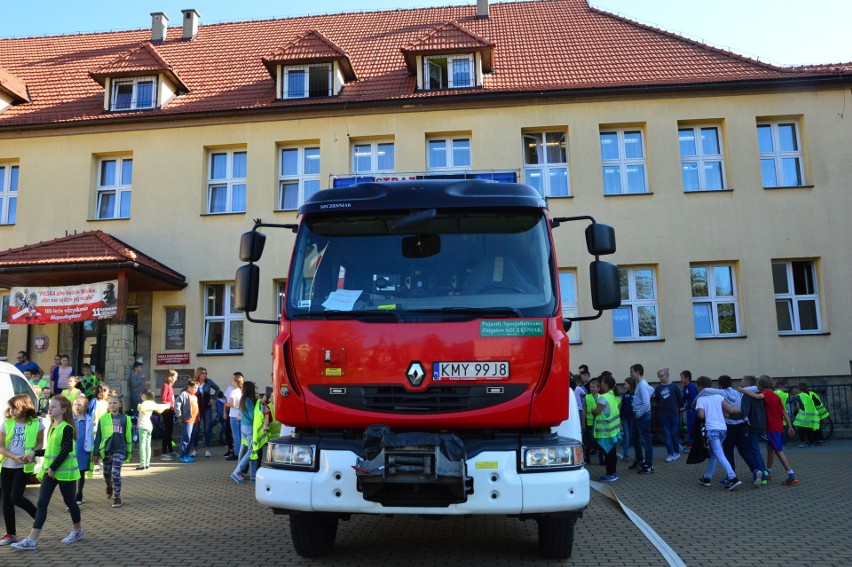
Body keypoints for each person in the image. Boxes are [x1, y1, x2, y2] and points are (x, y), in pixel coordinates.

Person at [10, 395, 84, 550]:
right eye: (50, 406)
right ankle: (32, 539)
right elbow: (51, 450)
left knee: (70, 502)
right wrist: (34, 453)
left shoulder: (67, 428)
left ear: (64, 410)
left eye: (54, 406)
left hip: (64, 473)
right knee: (42, 503)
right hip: (50, 473)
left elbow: (66, 450)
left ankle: (77, 530)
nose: (50, 408)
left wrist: (53, 467)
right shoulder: (52, 427)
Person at [0, 394, 45, 547]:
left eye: (15, 408)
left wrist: (31, 453)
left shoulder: (37, 423)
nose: (11, 411)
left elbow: (40, 444)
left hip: (24, 466)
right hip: (7, 465)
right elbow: (1, 447)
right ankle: (11, 534)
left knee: (15, 497)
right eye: (10, 407)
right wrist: (14, 457)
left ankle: (38, 518)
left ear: (24, 408)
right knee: (6, 500)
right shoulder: (6, 424)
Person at [740, 375, 798, 486]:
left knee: (778, 450)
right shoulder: (776, 396)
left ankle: (791, 475)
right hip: (779, 426)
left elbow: (757, 397)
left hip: (772, 427)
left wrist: (743, 390)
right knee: (770, 449)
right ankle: (768, 471)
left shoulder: (767, 394)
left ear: (760, 385)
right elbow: (784, 412)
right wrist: (790, 426)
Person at [695, 376, 742, 491]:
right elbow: (730, 410)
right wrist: (741, 410)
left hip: (711, 430)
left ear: (700, 387)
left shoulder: (701, 399)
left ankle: (733, 477)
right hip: (722, 429)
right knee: (713, 454)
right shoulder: (719, 396)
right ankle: (707, 477)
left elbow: (701, 416)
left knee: (719, 454)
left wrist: (703, 414)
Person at [92, 395, 132, 508]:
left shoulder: (126, 419)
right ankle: (109, 486)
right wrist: (96, 452)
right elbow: (98, 436)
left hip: (120, 450)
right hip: (107, 450)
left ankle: (117, 497)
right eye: (110, 403)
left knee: (116, 473)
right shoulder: (103, 418)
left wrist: (129, 452)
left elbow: (128, 436)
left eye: (115, 403)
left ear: (120, 405)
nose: (112, 405)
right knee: (107, 474)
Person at [592, 374, 621, 482]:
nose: (601, 384)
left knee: (608, 454)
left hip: (605, 431)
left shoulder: (603, 398)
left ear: (606, 384)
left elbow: (597, 411)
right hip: (614, 430)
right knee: (612, 453)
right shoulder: (615, 396)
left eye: (602, 382)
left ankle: (610, 474)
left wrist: (592, 410)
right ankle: (613, 473)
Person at [190, 367, 221, 458]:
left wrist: (213, 399)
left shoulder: (209, 382)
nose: (205, 375)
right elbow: (185, 390)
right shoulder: (194, 382)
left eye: (206, 373)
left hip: (207, 408)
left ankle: (207, 449)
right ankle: (194, 449)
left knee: (207, 429)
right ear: (198, 374)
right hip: (197, 408)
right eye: (203, 373)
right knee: (195, 429)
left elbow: (218, 389)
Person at [136, 390, 170, 471]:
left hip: (142, 426)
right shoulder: (152, 403)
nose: (141, 396)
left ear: (144, 395)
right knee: (148, 445)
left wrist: (140, 407)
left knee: (142, 445)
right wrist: (167, 405)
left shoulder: (144, 403)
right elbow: (160, 410)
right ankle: (147, 464)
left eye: (141, 395)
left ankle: (142, 464)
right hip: (149, 426)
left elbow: (141, 409)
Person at [231, 381, 257, 484]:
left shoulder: (243, 400)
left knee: (252, 451)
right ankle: (237, 472)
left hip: (243, 427)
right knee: (251, 451)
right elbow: (252, 416)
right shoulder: (249, 401)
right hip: (250, 428)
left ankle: (253, 476)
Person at [654, 368, 683, 462]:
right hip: (663, 415)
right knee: (667, 435)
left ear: (667, 375)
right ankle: (670, 454)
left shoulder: (674, 386)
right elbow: (657, 400)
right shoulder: (658, 388)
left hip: (674, 414)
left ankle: (676, 452)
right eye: (659, 376)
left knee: (674, 434)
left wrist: (677, 408)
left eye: (662, 376)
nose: (661, 378)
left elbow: (679, 399)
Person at [630, 364, 654, 474]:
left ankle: (649, 466)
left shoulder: (642, 385)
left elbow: (646, 404)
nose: (630, 374)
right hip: (639, 415)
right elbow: (651, 389)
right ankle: (640, 460)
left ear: (638, 372)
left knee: (646, 441)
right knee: (635, 438)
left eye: (632, 371)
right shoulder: (639, 384)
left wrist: (638, 415)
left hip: (642, 416)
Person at [72, 395, 92, 505]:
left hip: (83, 449)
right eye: (75, 404)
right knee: (71, 471)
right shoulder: (69, 419)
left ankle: (79, 493)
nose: (77, 407)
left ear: (85, 407)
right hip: (72, 448)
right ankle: (71, 494)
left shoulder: (88, 419)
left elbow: (91, 435)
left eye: (79, 405)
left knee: (81, 472)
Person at [174, 380, 200, 463]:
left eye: (197, 388)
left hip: (194, 420)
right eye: (194, 388)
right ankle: (182, 456)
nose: (196, 390)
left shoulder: (195, 396)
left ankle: (187, 455)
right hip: (187, 420)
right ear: (189, 387)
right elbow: (177, 404)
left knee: (191, 438)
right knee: (186, 438)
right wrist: (179, 416)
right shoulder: (184, 394)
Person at [791, 383, 820, 448]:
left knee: (801, 431)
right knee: (809, 431)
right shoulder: (809, 396)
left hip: (802, 417)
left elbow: (798, 407)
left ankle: (803, 443)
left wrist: (794, 414)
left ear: (799, 389)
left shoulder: (798, 396)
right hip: (809, 417)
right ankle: (811, 443)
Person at [224, 372, 244, 461]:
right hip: (241, 414)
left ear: (235, 382)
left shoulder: (233, 391)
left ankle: (236, 453)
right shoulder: (242, 391)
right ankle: (242, 452)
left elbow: (233, 404)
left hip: (233, 415)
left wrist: (226, 404)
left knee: (235, 435)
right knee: (241, 434)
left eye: (233, 380)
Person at [160, 370, 177, 461]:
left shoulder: (170, 387)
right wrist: (170, 405)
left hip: (171, 411)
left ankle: (170, 450)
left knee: (170, 431)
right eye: (175, 377)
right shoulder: (165, 386)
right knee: (166, 432)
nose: (176, 379)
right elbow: (163, 400)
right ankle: (164, 452)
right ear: (171, 377)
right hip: (167, 411)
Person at [680, 370, 699, 450]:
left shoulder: (691, 386)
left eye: (682, 378)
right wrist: (680, 405)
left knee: (692, 427)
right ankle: (691, 443)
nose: (681, 380)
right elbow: (684, 398)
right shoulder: (685, 387)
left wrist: (686, 407)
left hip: (693, 411)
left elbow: (694, 399)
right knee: (689, 427)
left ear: (687, 378)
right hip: (689, 411)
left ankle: (693, 444)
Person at [620, 377, 636, 462]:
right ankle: (625, 455)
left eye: (626, 383)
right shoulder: (625, 395)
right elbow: (622, 407)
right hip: (625, 418)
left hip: (633, 417)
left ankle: (637, 455)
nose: (624, 385)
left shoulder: (635, 394)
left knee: (634, 436)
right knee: (626, 436)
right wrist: (621, 417)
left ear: (630, 384)